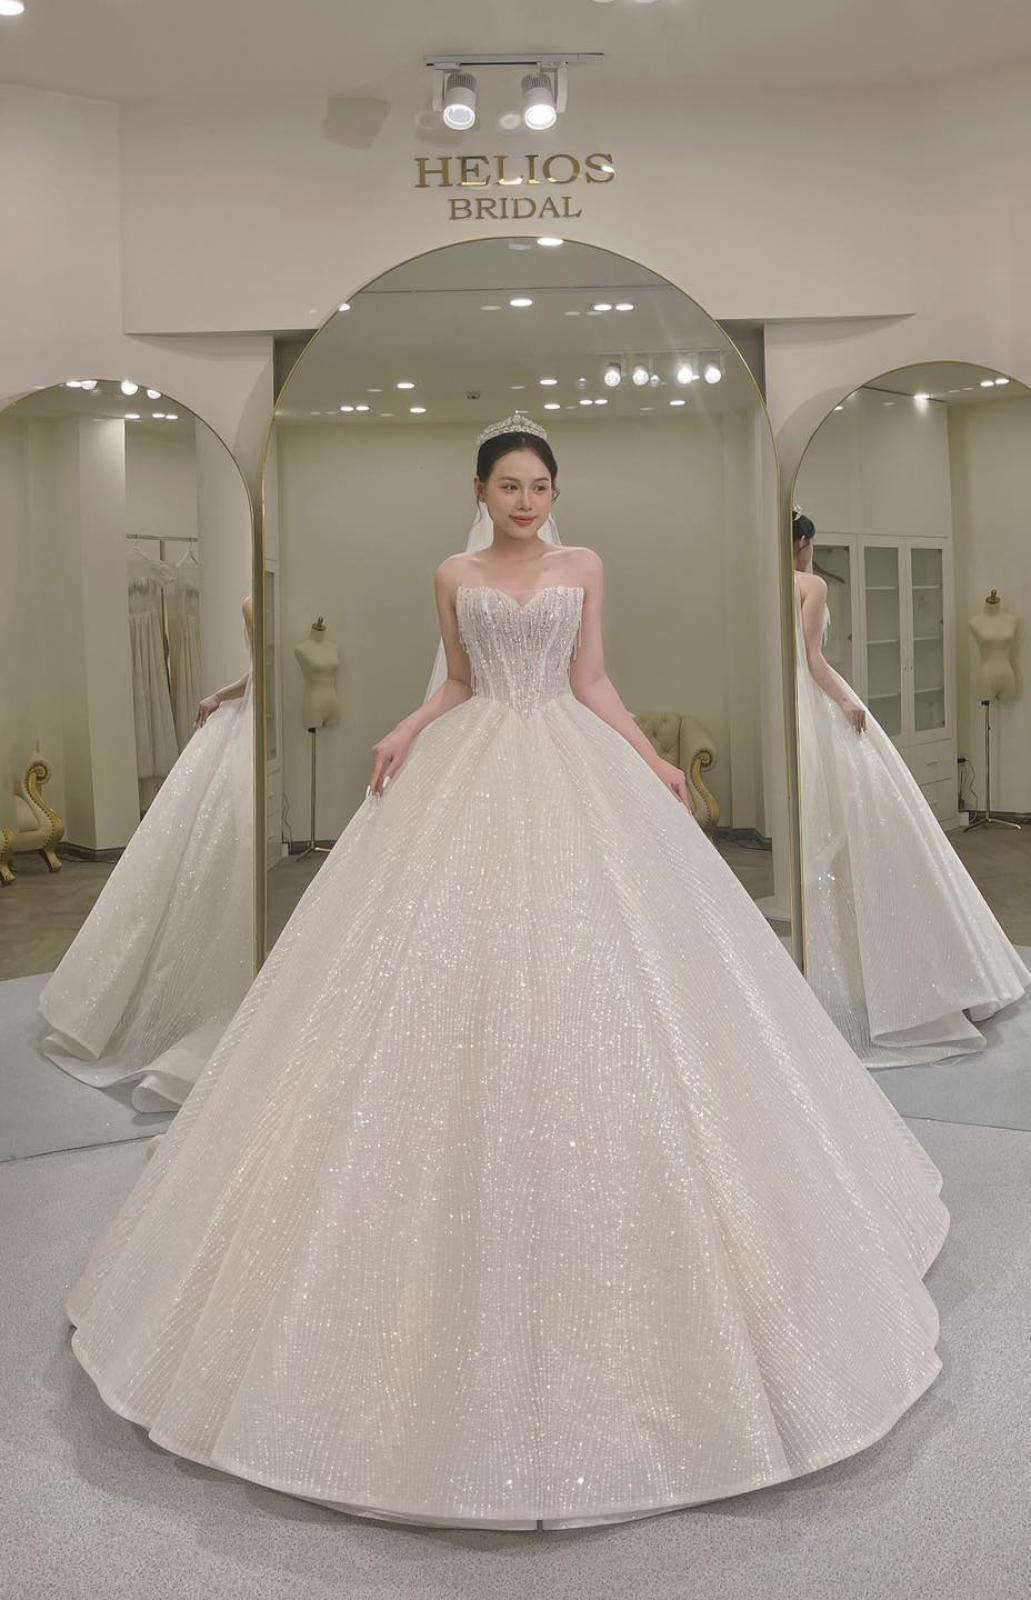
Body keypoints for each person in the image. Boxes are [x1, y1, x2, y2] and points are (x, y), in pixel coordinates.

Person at [65, 421, 949, 1532]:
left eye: (538, 485)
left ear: (553, 490)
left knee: (624, 973)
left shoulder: (583, 567)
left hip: (570, 761)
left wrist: (649, 756)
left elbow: (592, 679)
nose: (525, 500)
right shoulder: (454, 573)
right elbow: (456, 679)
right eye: (508, 485)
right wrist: (406, 726)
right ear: (479, 491)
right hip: (472, 759)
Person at [792, 509, 1029, 1065]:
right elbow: (813, 658)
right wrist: (847, 701)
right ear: (803, 541)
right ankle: (918, 968)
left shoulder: (766, 587)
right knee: (879, 820)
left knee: (825, 831)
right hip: (819, 705)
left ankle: (847, 968)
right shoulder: (812, 584)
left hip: (793, 714)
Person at [39, 596, 255, 1112]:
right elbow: (263, 676)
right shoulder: (254, 601)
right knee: (211, 862)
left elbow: (261, 676)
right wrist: (222, 696)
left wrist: (219, 694)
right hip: (253, 728)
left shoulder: (269, 596)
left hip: (258, 724)